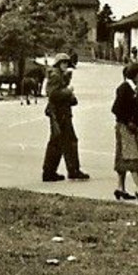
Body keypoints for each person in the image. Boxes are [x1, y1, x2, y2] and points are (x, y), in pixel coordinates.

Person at [42, 51, 89, 182]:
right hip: (59, 114)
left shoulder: (59, 75)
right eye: (63, 62)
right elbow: (53, 94)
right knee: (65, 142)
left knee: (60, 142)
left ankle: (52, 171)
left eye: (66, 63)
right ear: (58, 63)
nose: (65, 65)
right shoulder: (56, 75)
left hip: (61, 113)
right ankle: (68, 170)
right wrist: (69, 91)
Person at [110, 62, 138, 201]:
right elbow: (116, 109)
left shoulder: (135, 89)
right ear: (135, 74)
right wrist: (129, 122)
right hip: (125, 127)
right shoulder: (124, 89)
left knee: (123, 156)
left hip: (131, 127)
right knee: (132, 156)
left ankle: (120, 187)